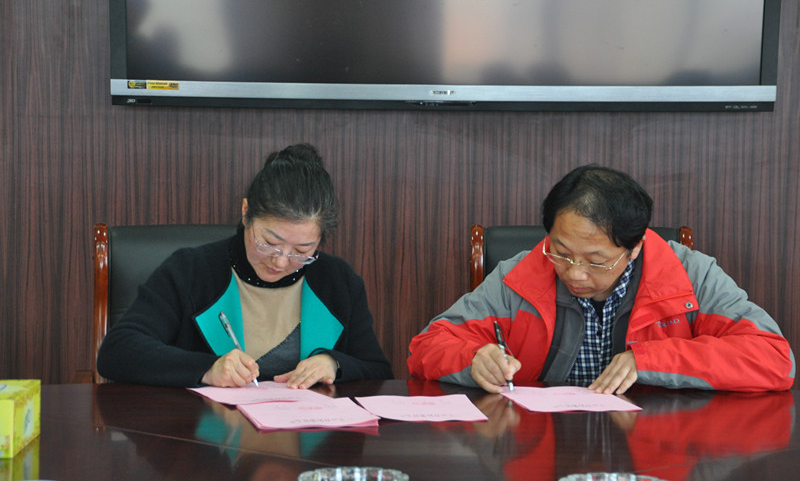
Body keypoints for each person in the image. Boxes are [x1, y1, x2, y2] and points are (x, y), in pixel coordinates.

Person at [407, 165, 795, 394]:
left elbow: (773, 359)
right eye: (561, 252)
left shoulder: (689, 276)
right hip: (542, 449)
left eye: (597, 261)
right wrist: (474, 360)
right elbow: (427, 346)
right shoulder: (520, 275)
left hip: (658, 449)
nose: (575, 273)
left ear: (635, 247)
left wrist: (649, 360)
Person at [98, 143, 393, 388]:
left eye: (302, 251)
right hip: (204, 437)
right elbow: (118, 351)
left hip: (309, 437)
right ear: (246, 212)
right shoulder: (192, 271)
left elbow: (378, 371)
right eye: (269, 243)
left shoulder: (339, 282)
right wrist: (207, 369)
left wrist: (334, 363)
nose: (281, 261)